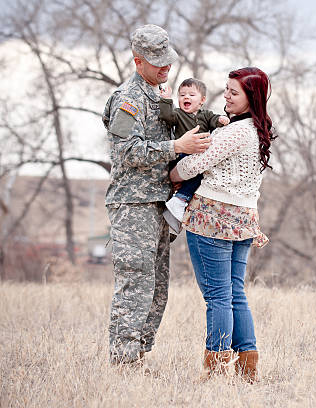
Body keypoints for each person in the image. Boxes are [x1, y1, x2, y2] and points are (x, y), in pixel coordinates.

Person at [102, 24, 210, 366]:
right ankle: (123, 361)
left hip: (160, 204)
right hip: (133, 205)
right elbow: (125, 152)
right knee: (135, 282)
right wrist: (176, 146)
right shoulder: (128, 99)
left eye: (168, 61)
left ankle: (140, 354)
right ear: (138, 61)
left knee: (157, 286)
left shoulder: (160, 95)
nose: (165, 68)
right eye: (157, 62)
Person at [169, 67, 275, 382]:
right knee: (234, 293)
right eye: (226, 90)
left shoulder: (233, 132)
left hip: (212, 220)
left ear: (250, 97)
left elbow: (194, 163)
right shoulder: (258, 130)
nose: (226, 96)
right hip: (243, 222)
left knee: (217, 296)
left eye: (234, 92)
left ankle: (216, 367)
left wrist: (172, 175)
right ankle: (247, 366)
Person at [159, 78, 229, 235]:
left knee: (200, 180)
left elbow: (214, 120)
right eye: (182, 95)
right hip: (182, 154)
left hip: (200, 156)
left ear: (202, 100)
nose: (186, 97)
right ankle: (180, 200)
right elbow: (167, 117)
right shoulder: (178, 114)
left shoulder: (206, 114)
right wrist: (165, 100)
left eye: (191, 94)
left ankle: (178, 210)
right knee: (195, 177)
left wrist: (220, 120)